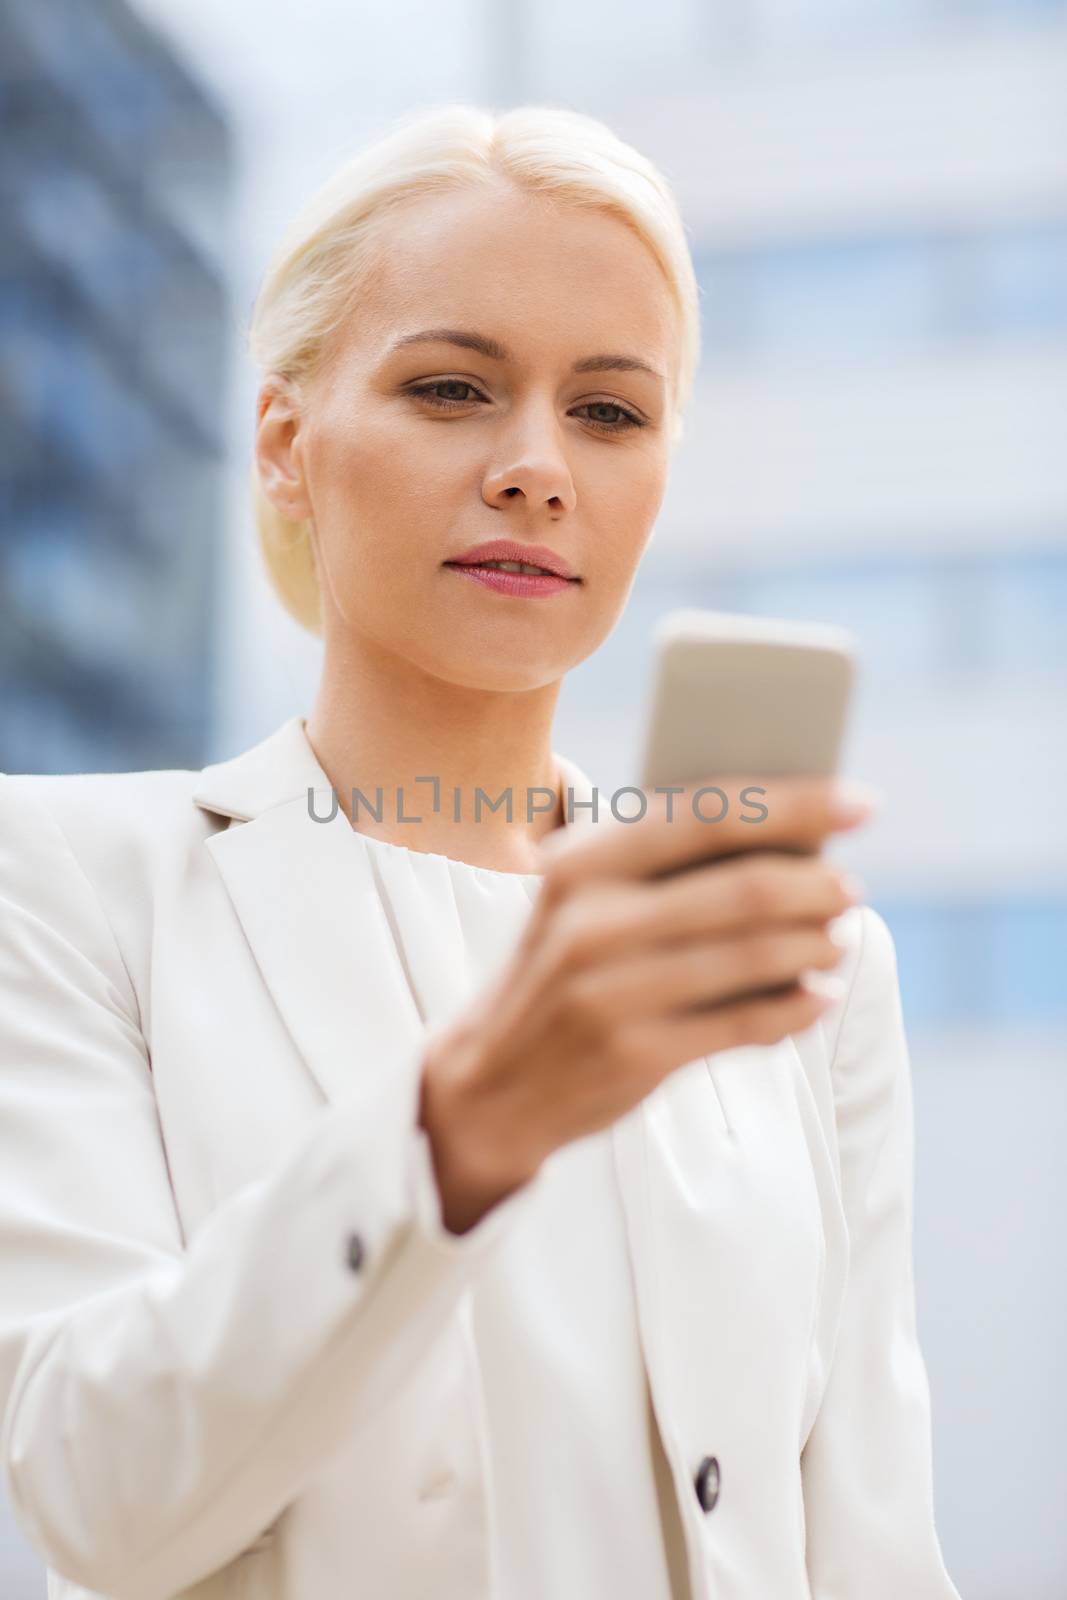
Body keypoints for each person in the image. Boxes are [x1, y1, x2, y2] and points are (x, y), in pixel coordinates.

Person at [0, 103, 961, 1600]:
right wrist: (469, 1119)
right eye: (453, 389)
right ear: (285, 446)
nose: (535, 467)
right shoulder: (65, 879)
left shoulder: (809, 971)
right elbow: (91, 1492)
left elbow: (876, 1545)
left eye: (609, 411)